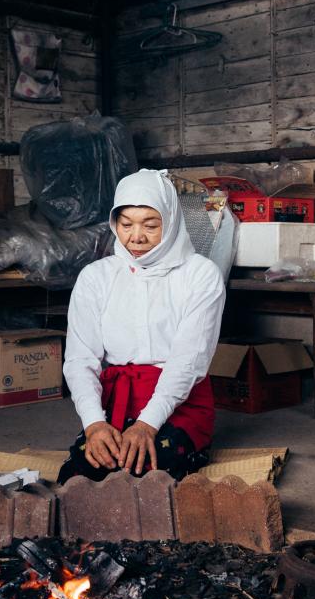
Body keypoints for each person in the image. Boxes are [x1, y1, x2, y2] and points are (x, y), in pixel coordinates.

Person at [58, 169, 226, 483]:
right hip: (116, 400)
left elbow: (187, 362)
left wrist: (146, 424)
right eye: (125, 225)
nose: (136, 237)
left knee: (148, 470)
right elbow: (80, 359)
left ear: (172, 220)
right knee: (82, 471)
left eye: (150, 225)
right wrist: (94, 424)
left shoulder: (200, 275)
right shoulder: (96, 277)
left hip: (179, 401)